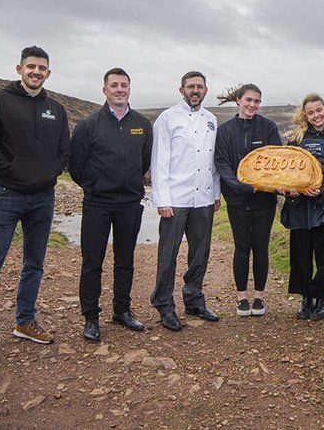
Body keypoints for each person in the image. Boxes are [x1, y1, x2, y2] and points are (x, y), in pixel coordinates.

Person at [0, 46, 69, 365]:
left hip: (43, 198)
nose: (36, 72)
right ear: (19, 69)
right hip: (6, 195)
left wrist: (49, 173)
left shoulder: (56, 109)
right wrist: (13, 171)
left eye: (42, 68)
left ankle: (25, 321)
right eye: (31, 66)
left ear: (48, 73)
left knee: (34, 263)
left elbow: (65, 150)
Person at [69, 68, 153, 342]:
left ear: (130, 89)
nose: (119, 89)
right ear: (104, 90)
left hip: (129, 203)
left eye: (124, 85)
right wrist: (94, 185)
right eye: (114, 85)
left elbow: (144, 161)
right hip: (97, 203)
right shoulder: (89, 124)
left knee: (125, 260)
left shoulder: (142, 124)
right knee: (92, 261)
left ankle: (122, 310)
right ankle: (91, 318)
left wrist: (128, 184)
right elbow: (76, 166)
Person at [150, 71, 222, 331]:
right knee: (168, 254)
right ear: (181, 90)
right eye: (190, 86)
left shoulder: (211, 120)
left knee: (200, 253)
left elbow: (212, 161)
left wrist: (215, 193)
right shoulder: (167, 119)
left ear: (205, 90)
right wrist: (162, 199)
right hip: (176, 198)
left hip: (203, 198)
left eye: (199, 87)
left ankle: (194, 299)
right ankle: (164, 304)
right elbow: (159, 162)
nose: (195, 90)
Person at [214, 84, 282, 317]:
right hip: (237, 200)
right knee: (242, 248)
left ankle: (259, 297)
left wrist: (264, 186)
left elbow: (276, 160)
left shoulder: (268, 127)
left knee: (261, 248)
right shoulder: (225, 131)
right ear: (238, 100)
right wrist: (237, 186)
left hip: (264, 200)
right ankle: (242, 297)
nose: (253, 105)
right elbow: (221, 163)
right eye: (249, 100)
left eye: (257, 101)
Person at [280, 94, 324, 321]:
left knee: (323, 253)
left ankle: (322, 299)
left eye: (319, 110)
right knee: (300, 253)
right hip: (299, 204)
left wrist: (321, 189)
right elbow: (287, 168)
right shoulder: (296, 137)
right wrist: (293, 188)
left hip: (322, 204)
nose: (316, 115)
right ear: (305, 115)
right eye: (311, 112)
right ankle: (306, 298)